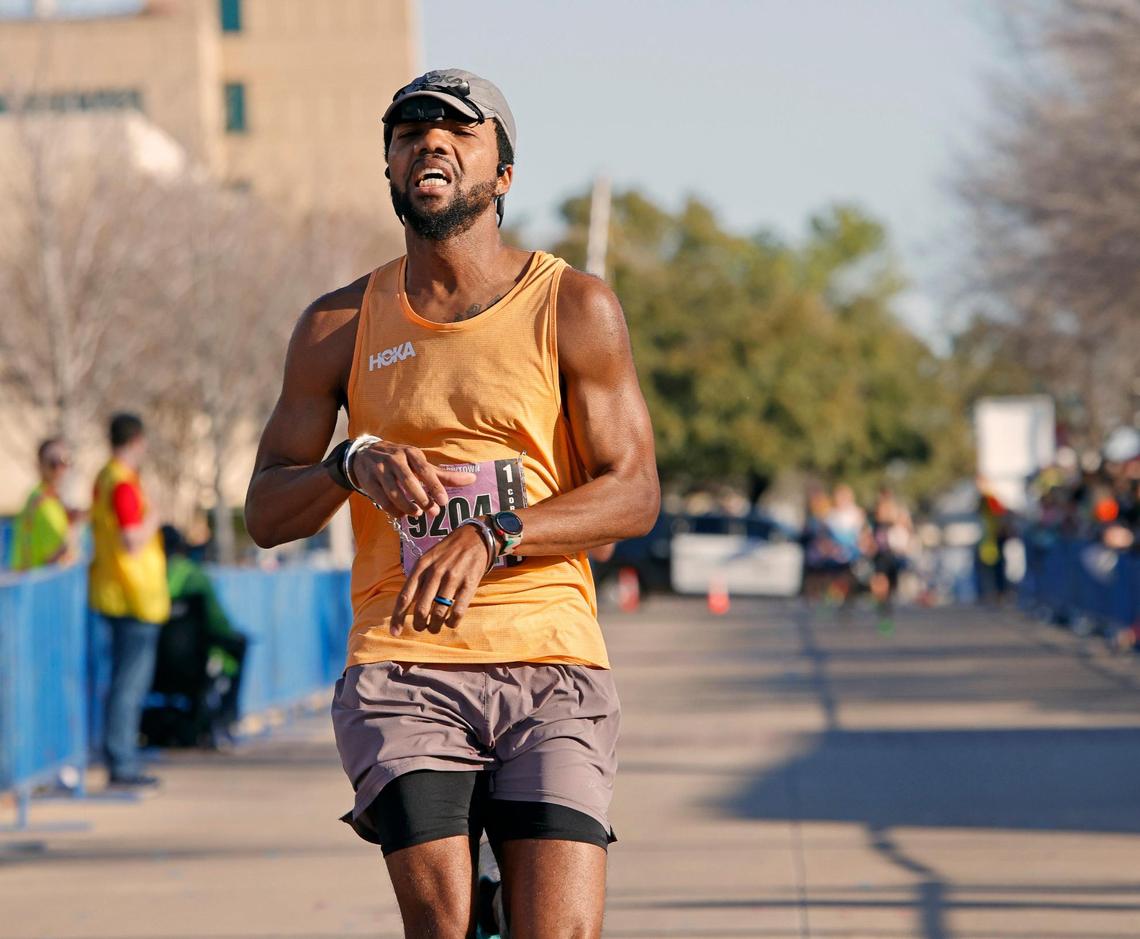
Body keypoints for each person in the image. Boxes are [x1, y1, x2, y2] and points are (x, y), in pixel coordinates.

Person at [245, 68, 659, 939]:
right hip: (404, 664)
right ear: (390, 170)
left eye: (458, 130)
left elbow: (634, 492)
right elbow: (265, 512)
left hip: (553, 658)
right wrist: (347, 466)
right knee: (445, 930)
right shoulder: (338, 324)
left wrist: (496, 531)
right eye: (408, 131)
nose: (429, 140)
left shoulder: (574, 305)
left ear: (502, 174)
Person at [89, 412, 169, 788]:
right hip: (133, 597)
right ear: (137, 440)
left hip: (120, 593)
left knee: (124, 683)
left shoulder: (106, 478)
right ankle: (121, 762)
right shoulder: (122, 483)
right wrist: (155, 516)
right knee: (129, 686)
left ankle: (121, 758)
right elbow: (131, 538)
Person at [9, 437, 81, 571]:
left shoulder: (51, 499)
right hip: (36, 587)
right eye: (53, 463)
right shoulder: (43, 502)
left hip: (36, 586)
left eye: (65, 461)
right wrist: (75, 526)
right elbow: (59, 557)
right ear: (40, 466)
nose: (60, 468)